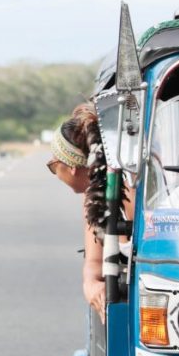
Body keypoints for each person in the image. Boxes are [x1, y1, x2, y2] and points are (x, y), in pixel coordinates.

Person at [47, 103, 133, 317]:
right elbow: (93, 264)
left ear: (73, 168)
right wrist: (92, 285)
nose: (53, 171)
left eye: (53, 166)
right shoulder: (94, 197)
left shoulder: (132, 189)